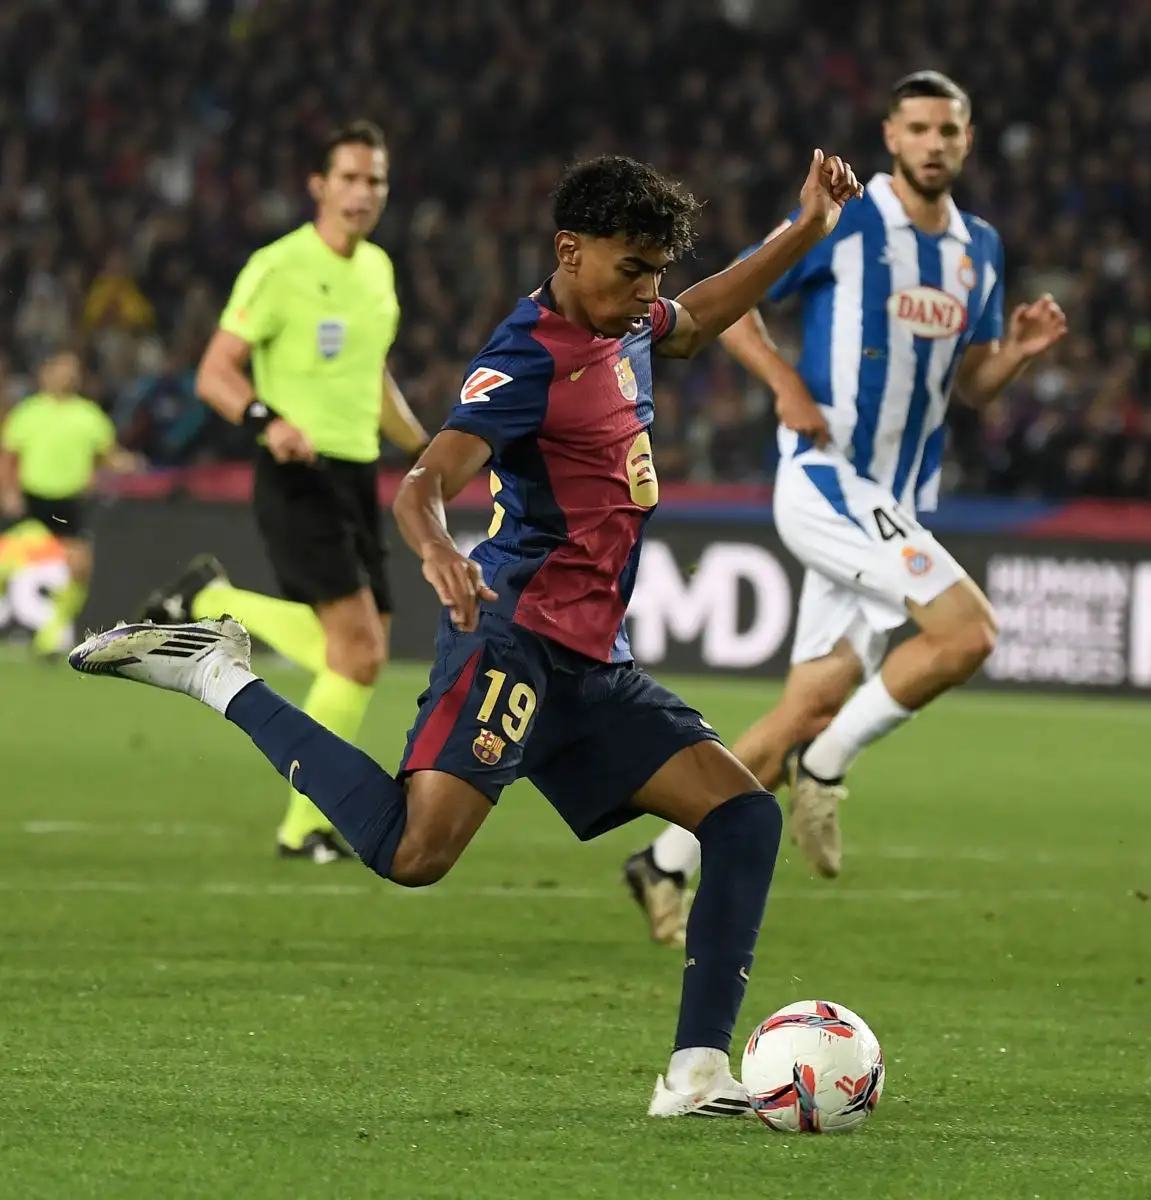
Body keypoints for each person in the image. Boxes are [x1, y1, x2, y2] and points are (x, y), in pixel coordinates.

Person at [70, 149, 864, 1118]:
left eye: (656, 271)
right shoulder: (524, 357)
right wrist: (440, 548)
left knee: (743, 819)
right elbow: (424, 480)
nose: (647, 293)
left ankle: (696, 1074)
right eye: (631, 270)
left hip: (593, 662)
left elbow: (697, 320)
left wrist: (808, 228)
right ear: (570, 252)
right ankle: (217, 677)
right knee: (415, 854)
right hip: (514, 642)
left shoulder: (631, 324)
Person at [623, 71, 1068, 939]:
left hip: (895, 503)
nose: (935, 142)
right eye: (919, 128)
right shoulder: (853, 218)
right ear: (891, 136)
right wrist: (787, 386)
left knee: (808, 706)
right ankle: (823, 772)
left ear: (966, 141)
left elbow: (968, 383)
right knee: (968, 631)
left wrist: (1012, 354)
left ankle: (662, 861)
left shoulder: (979, 248)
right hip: (829, 482)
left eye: (950, 129)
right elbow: (736, 300)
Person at [137, 121, 429, 863]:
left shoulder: (378, 272)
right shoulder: (279, 266)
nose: (365, 193)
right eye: (353, 178)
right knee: (358, 652)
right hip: (297, 471)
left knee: (361, 653)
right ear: (319, 185)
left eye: (377, 181)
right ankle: (303, 828)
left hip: (358, 473)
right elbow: (216, 371)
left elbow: (374, 377)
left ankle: (207, 601)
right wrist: (266, 419)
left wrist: (428, 448)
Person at [0, 351, 139, 655]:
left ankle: (51, 636)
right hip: (31, 500)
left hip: (70, 504)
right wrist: (8, 492)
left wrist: (125, 463)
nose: (68, 375)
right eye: (62, 369)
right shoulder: (28, 412)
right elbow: (9, 457)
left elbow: (106, 455)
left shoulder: (89, 415)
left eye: (73, 370)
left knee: (79, 568)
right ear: (45, 374)